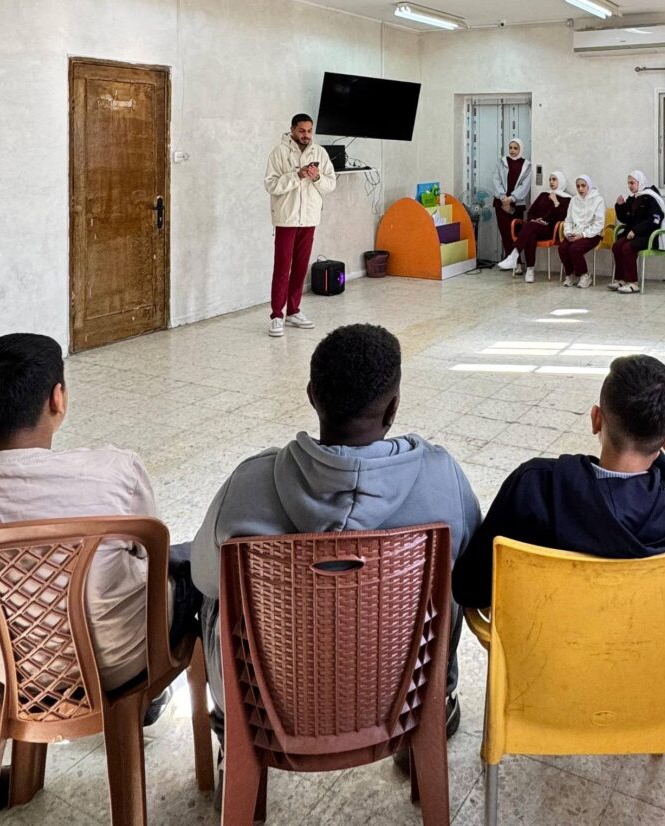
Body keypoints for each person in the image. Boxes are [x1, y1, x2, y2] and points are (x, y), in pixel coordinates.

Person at [192, 324, 482, 769]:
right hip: (403, 697)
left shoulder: (248, 485)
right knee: (451, 583)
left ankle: (231, 738)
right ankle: (435, 705)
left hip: (266, 707)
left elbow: (204, 578)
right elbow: (473, 572)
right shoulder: (442, 478)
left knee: (212, 594)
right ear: (393, 408)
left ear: (311, 396)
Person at [0, 334, 200, 814]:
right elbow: (146, 554)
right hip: (121, 664)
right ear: (58, 400)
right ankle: (166, 711)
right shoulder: (116, 470)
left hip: (6, 668)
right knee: (193, 567)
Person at [452, 354, 665, 609]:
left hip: (544, 648)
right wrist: (662, 457)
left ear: (596, 419)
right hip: (649, 649)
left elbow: (469, 589)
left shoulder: (534, 486)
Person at [263, 113, 337, 338]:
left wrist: (316, 177)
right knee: (282, 267)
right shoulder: (279, 152)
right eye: (302, 131)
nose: (306, 135)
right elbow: (271, 185)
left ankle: (294, 311)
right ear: (293, 130)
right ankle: (277, 315)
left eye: (309, 131)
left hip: (310, 218)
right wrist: (297, 175)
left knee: (300, 266)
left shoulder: (319, 153)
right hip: (286, 218)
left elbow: (331, 184)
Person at [497, 170, 570, 282]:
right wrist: (535, 219)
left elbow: (563, 216)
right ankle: (530, 270)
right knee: (531, 234)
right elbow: (531, 211)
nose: (551, 182)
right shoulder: (543, 195)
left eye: (554, 179)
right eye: (550, 179)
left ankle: (514, 255)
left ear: (561, 181)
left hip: (551, 229)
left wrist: (556, 201)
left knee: (529, 227)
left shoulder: (566, 198)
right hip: (535, 226)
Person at [609, 171, 665, 294]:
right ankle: (621, 279)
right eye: (628, 183)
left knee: (627, 248)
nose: (630, 186)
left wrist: (636, 230)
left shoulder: (650, 198)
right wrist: (620, 206)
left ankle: (633, 283)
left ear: (640, 182)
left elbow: (655, 219)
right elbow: (625, 219)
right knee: (617, 246)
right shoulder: (633, 199)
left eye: (632, 183)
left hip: (648, 236)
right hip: (633, 235)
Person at [559, 175, 606, 289]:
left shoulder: (598, 200)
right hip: (575, 233)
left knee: (574, 249)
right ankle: (571, 275)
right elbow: (569, 220)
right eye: (578, 186)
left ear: (589, 186)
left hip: (592, 235)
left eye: (583, 186)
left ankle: (584, 275)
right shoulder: (574, 200)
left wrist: (583, 235)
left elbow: (599, 224)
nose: (580, 189)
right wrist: (568, 232)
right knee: (562, 248)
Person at [492, 138, 533, 263]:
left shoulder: (527, 165)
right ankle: (512, 262)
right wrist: (502, 196)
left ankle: (518, 262)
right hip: (501, 203)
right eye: (510, 148)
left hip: (517, 204)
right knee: (505, 233)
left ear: (520, 149)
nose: (512, 151)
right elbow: (496, 180)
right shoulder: (502, 162)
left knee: (516, 233)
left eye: (516, 148)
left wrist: (512, 198)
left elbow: (525, 186)